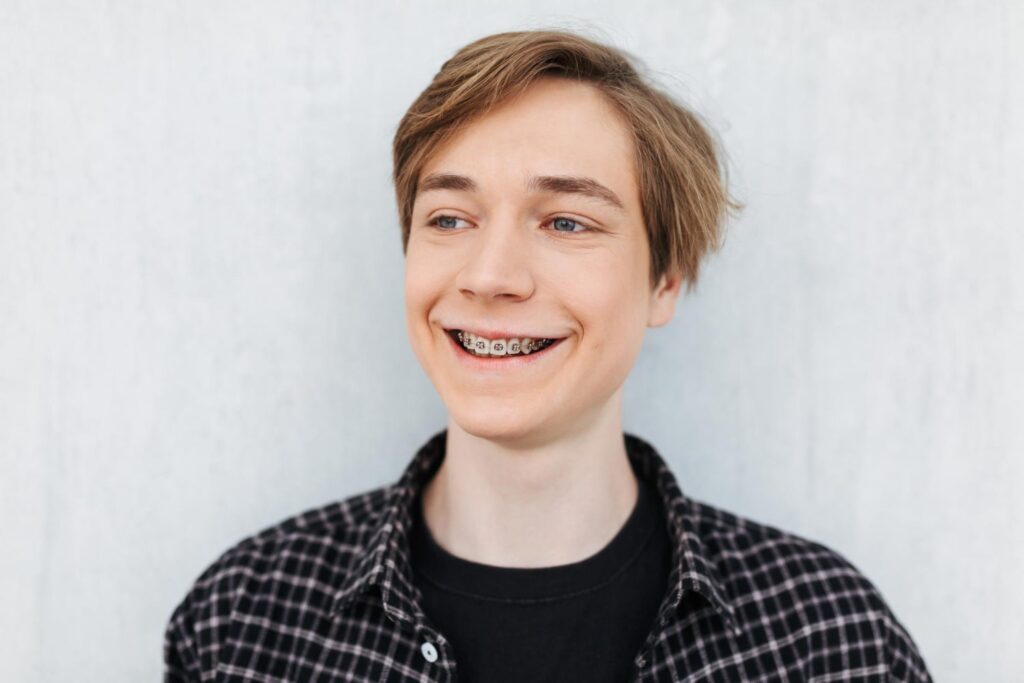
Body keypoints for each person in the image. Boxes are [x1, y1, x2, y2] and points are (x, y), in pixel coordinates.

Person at [164, 29, 932, 682]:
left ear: (665, 280)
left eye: (566, 222)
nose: (490, 275)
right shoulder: (242, 622)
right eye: (449, 218)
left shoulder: (831, 642)